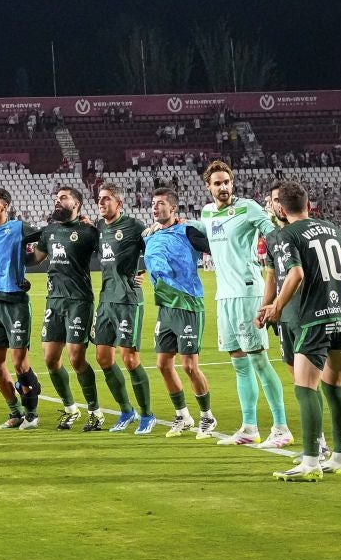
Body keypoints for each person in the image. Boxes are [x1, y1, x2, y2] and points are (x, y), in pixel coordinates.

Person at [259, 181, 341, 481]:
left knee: (305, 388)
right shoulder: (330, 227)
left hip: (313, 319)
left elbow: (295, 274)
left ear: (280, 209)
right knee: (334, 389)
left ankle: (310, 462)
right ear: (308, 204)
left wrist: (276, 307)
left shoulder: (284, 235)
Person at [199, 162, 290, 449]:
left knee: (259, 360)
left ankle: (281, 427)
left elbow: (274, 235)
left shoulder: (248, 208)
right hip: (224, 296)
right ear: (208, 186)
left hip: (248, 293)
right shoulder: (207, 212)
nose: (223, 187)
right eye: (217, 183)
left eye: (227, 182)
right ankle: (249, 427)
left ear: (232, 183)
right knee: (239, 362)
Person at [26, 185, 99, 430]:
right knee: (50, 359)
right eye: (56, 198)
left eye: (63, 198)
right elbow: (35, 259)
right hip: (54, 301)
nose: (57, 201)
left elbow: (112, 253)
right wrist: (9, 253)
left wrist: (135, 274)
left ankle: (95, 411)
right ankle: (70, 409)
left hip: (79, 301)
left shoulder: (89, 231)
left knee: (76, 358)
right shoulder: (49, 231)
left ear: (76, 204)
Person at [145, 188, 215, 438]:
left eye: (161, 203)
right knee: (163, 364)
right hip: (165, 307)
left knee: (189, 366)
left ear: (173, 208)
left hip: (187, 304)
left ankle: (207, 416)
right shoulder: (151, 235)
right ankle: (182, 415)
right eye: (153, 203)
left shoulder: (188, 231)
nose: (155, 207)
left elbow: (216, 245)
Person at [0, 186, 43, 429]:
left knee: (19, 363)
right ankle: (15, 412)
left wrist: (28, 262)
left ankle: (32, 413)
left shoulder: (19, 227)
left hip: (15, 302)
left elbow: (46, 240)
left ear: (5, 205)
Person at [92, 183, 155, 433]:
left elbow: (155, 249)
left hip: (129, 299)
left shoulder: (134, 226)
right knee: (103, 357)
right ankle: (126, 410)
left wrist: (143, 271)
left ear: (119, 203)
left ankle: (147, 415)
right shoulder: (98, 227)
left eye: (107, 198)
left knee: (129, 358)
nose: (101, 202)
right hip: (106, 299)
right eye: (100, 198)